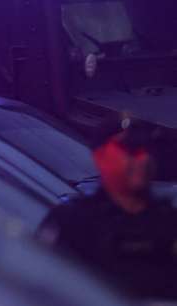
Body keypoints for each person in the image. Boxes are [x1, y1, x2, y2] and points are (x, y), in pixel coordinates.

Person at [37, 116, 177, 301]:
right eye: (129, 149)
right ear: (100, 155)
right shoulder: (72, 222)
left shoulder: (168, 222)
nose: (141, 159)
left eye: (145, 149)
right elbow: (40, 283)